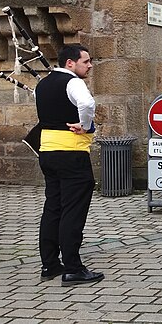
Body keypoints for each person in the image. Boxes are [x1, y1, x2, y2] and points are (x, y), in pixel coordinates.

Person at [36, 44, 104, 286]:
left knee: (53, 207)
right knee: (73, 210)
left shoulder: (42, 84)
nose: (90, 65)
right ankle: (73, 268)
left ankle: (50, 263)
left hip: (47, 151)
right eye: (86, 61)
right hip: (71, 153)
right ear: (70, 63)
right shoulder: (73, 82)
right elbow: (87, 105)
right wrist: (84, 125)